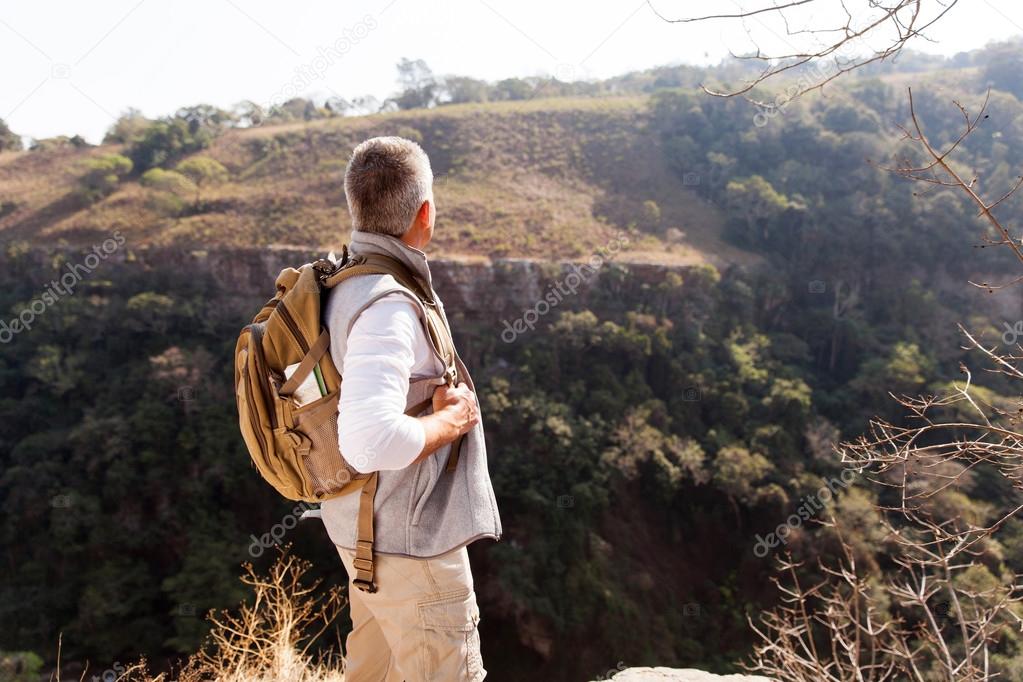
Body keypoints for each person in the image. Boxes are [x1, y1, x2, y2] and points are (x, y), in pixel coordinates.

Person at [321, 136, 502, 682]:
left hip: (360, 532)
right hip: (410, 547)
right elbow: (369, 439)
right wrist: (450, 421)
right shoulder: (387, 303)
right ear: (424, 212)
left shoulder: (339, 283)